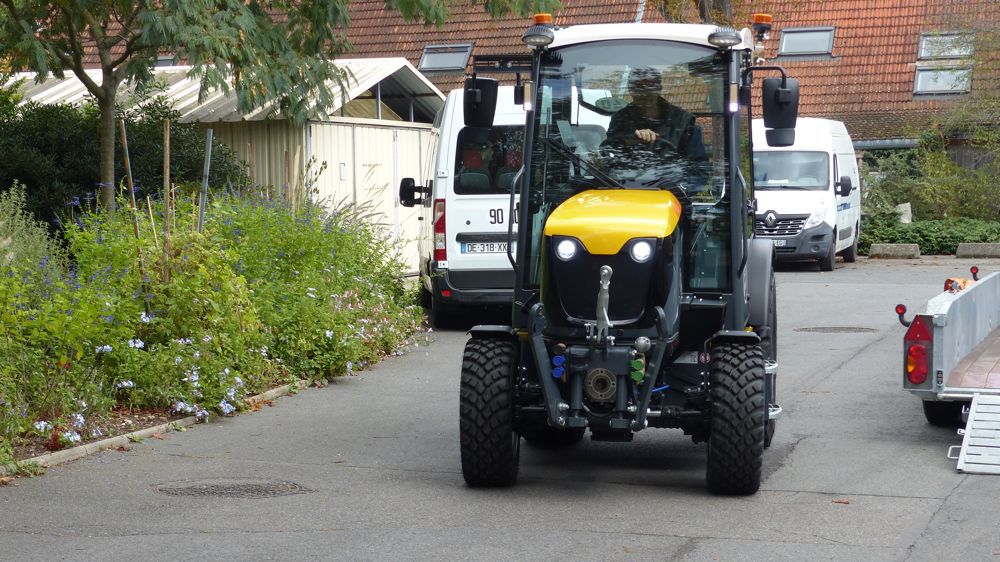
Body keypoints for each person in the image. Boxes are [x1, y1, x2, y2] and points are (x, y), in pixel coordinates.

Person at [603, 67, 707, 162]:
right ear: (630, 90)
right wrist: (629, 141)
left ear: (659, 88)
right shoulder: (620, 119)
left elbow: (698, 168)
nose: (644, 92)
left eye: (649, 85)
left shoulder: (683, 121)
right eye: (638, 86)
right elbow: (608, 154)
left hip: (670, 176)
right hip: (626, 175)